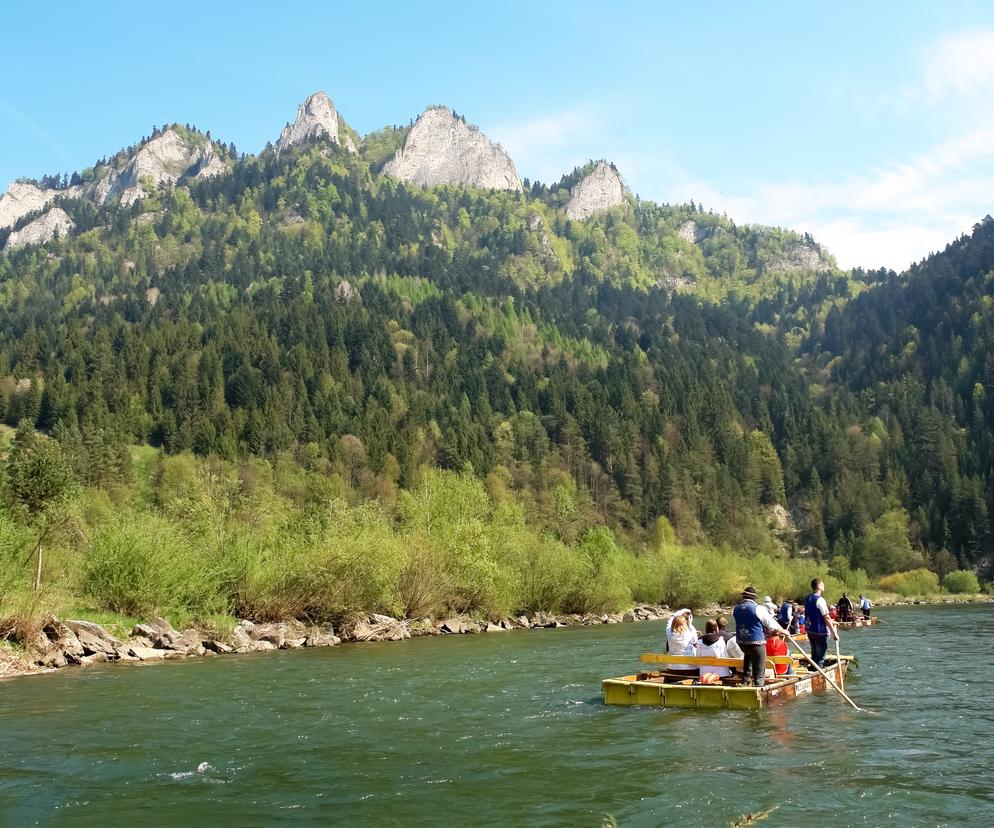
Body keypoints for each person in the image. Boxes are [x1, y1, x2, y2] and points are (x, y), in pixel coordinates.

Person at [733, 585, 786, 686]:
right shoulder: (758, 608)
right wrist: (783, 631)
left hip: (742, 643)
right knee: (759, 670)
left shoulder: (736, 608)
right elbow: (770, 622)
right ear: (754, 598)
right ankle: (758, 687)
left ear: (743, 596)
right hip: (756, 642)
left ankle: (745, 681)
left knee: (748, 656)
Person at [804, 578, 839, 667]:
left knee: (814, 654)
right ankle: (818, 675)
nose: (824, 586)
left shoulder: (807, 598)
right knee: (820, 657)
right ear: (819, 586)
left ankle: (813, 670)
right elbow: (826, 617)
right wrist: (834, 633)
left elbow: (815, 614)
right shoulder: (820, 600)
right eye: (822, 585)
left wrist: (832, 621)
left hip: (810, 630)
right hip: (819, 631)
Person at [665, 608, 699, 678]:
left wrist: (682, 611)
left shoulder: (669, 634)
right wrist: (690, 624)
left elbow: (671, 619)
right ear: (685, 624)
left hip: (672, 669)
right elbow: (695, 640)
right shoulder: (689, 634)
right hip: (690, 670)